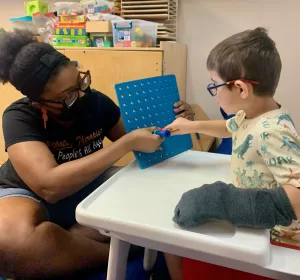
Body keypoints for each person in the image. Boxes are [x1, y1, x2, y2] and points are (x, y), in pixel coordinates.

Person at [0, 29, 194, 280]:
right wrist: (123, 145)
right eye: (68, 96)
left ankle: (63, 245)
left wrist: (180, 123)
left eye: (81, 81)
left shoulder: (96, 102)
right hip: (29, 194)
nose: (82, 95)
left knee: (164, 194)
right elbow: (49, 186)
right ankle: (114, 251)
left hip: (90, 184)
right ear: (39, 103)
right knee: (12, 243)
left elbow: (150, 141)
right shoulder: (19, 116)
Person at [166, 27, 300, 279]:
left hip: (274, 239)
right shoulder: (252, 115)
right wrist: (190, 126)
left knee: (191, 258)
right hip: (256, 226)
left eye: (214, 86)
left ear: (240, 89)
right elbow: (232, 127)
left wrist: (224, 201)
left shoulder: (272, 131)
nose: (214, 93)